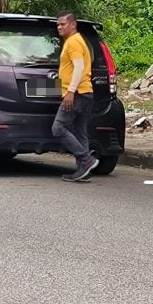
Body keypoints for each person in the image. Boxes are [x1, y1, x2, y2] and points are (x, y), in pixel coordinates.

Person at [52, 11, 98, 182]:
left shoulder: (73, 42)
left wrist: (71, 91)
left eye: (63, 24)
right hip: (86, 93)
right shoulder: (76, 41)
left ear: (73, 25)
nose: (59, 27)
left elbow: (79, 67)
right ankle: (83, 171)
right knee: (80, 132)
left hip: (77, 93)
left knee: (58, 128)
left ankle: (86, 159)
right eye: (58, 24)